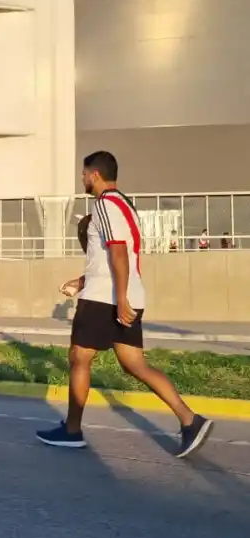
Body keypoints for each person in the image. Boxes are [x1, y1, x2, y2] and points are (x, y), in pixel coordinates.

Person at [36, 151, 213, 458]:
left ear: (94, 175)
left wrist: (120, 299)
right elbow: (114, 257)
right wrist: (82, 281)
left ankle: (72, 430)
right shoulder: (124, 205)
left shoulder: (103, 204)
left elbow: (118, 254)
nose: (82, 179)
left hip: (107, 299)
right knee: (134, 363)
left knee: (79, 356)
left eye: (83, 174)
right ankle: (190, 420)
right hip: (118, 292)